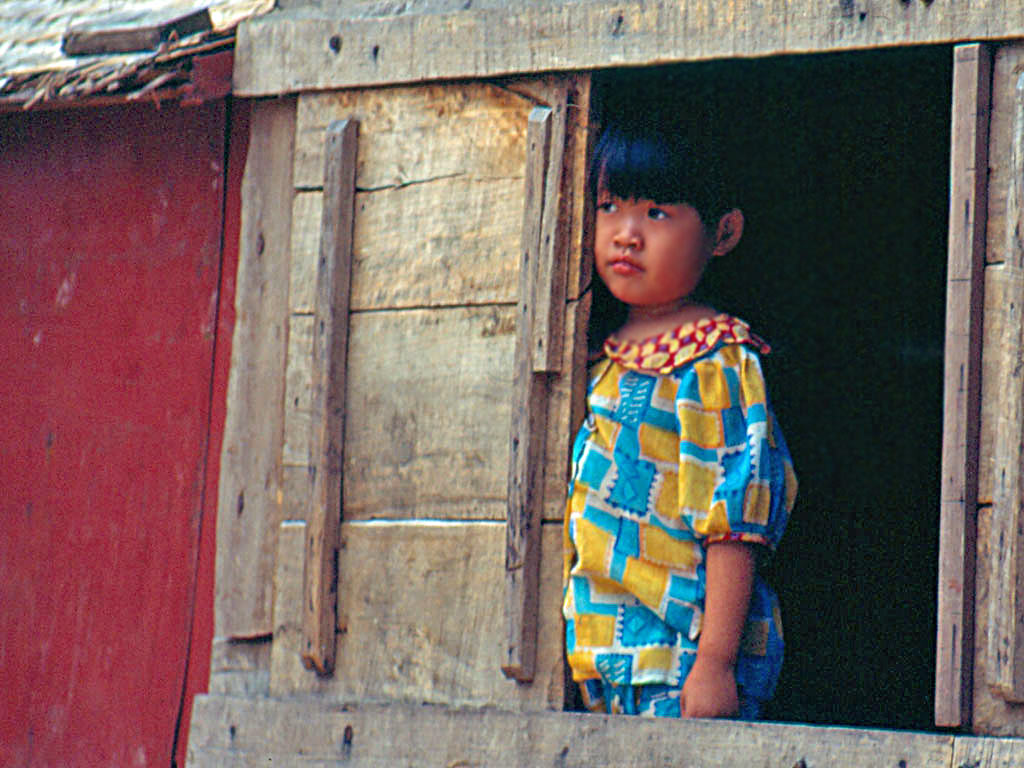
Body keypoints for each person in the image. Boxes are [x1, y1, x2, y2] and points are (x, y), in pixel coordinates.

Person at [562, 114, 797, 720]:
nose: (626, 234)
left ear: (722, 233)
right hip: (602, 655)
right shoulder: (599, 356)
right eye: (610, 207)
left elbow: (734, 525)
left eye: (657, 213)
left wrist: (714, 664)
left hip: (680, 660)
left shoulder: (715, 362)